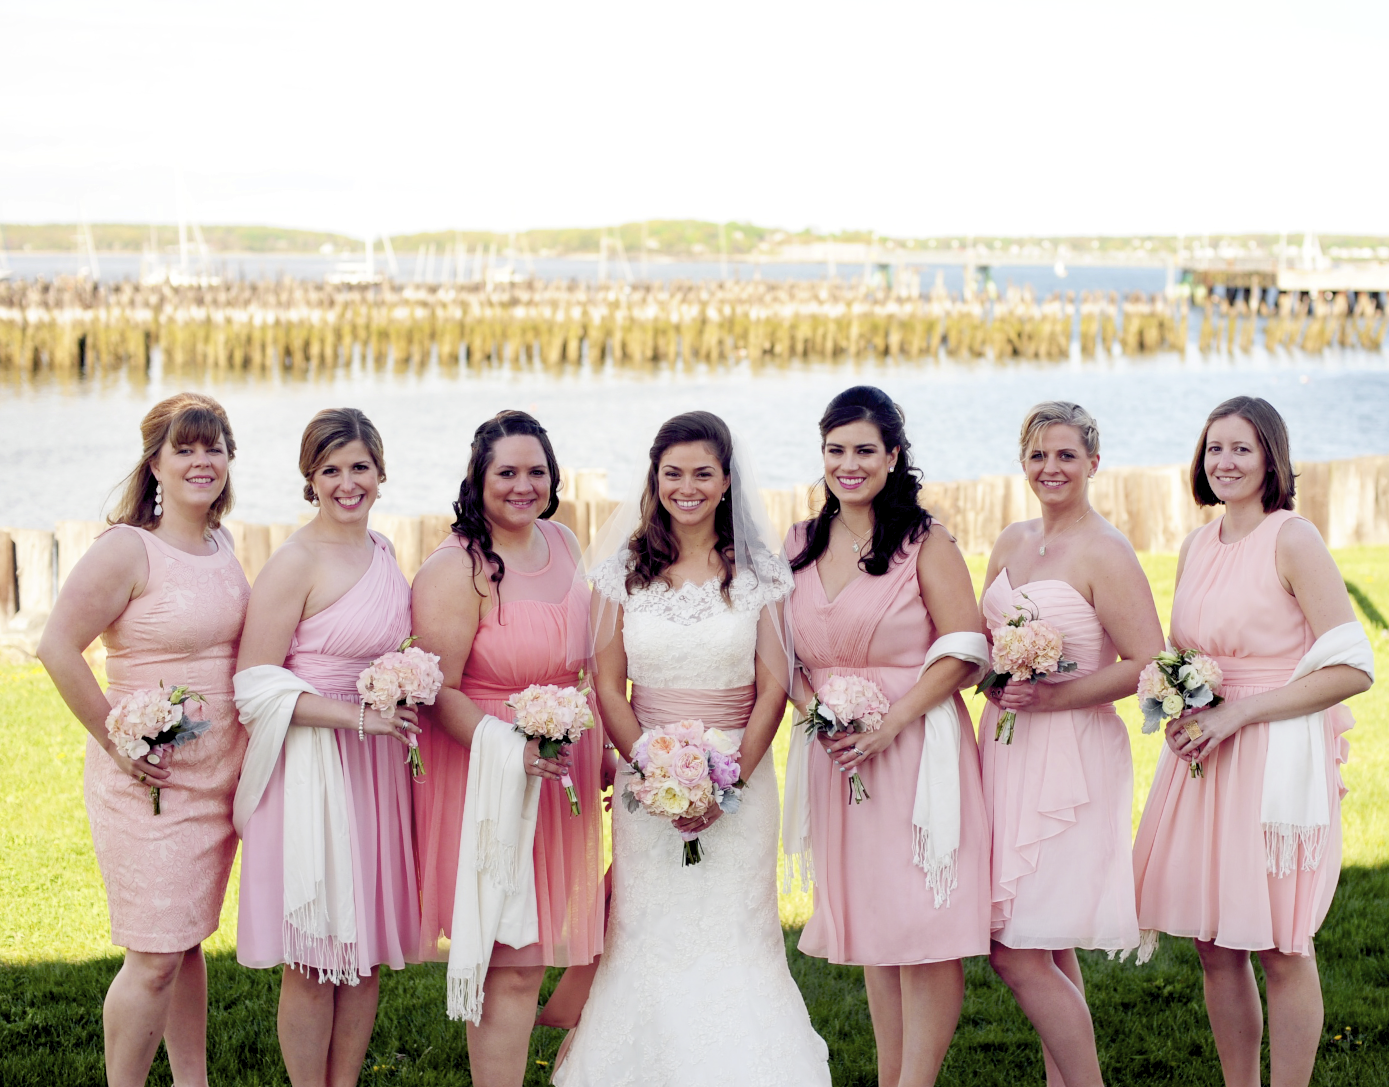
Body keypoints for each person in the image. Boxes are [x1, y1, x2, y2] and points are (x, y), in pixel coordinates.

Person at [553, 411, 831, 1086]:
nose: (686, 486)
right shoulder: (622, 570)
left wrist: (728, 777)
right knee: (647, 928)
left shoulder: (759, 570)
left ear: (725, 479)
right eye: (672, 472)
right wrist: (649, 769)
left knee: (737, 928)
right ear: (655, 478)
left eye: (702, 472)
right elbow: (608, 686)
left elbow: (772, 687)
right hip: (647, 778)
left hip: (743, 773)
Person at [1132, 396, 1374, 1087]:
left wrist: (1238, 715)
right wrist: (1177, 701)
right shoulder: (1195, 544)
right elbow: (1185, 651)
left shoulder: (1291, 538)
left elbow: (1352, 667)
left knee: (1279, 943)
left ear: (1271, 455)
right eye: (1213, 448)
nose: (1224, 461)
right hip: (1204, 757)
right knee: (1213, 943)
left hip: (1270, 757)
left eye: (1240, 447)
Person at [38, 392, 248, 1087]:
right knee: (154, 954)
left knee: (187, 941)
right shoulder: (129, 547)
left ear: (228, 459)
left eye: (212, 446)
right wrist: (117, 740)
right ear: (154, 462)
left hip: (218, 774)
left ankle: (195, 1081)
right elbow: (58, 646)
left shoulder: (223, 543)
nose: (200, 460)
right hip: (148, 779)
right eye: (184, 448)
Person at [782, 385, 990, 1087]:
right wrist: (820, 714)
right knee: (876, 927)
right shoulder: (797, 544)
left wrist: (891, 722)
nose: (848, 463)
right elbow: (782, 657)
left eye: (863, 450)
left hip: (913, 749)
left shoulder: (923, 542)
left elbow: (966, 646)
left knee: (925, 929)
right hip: (839, 756)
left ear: (892, 455)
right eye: (835, 449)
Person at [410, 411, 606, 1087]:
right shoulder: (455, 566)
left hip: (560, 766)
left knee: (531, 952)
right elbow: (439, 688)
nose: (523, 485)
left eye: (536, 471)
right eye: (507, 472)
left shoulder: (565, 543)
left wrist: (600, 751)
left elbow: (586, 667)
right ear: (478, 478)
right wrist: (511, 748)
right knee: (509, 956)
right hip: (489, 771)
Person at [233, 408, 421, 1087]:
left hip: (376, 767)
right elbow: (252, 684)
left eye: (359, 467)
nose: (348, 483)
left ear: (380, 471)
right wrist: (353, 716)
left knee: (364, 949)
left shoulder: (385, 553)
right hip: (312, 764)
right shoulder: (294, 561)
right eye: (331, 470)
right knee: (314, 956)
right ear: (309, 480)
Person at [977, 402, 1163, 1087]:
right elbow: (982, 639)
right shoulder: (1010, 539)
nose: (1048, 468)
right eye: (1036, 455)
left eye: (1063, 455)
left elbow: (1148, 659)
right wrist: (993, 679)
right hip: (1005, 750)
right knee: (1043, 936)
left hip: (1071, 758)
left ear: (1092, 462)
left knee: (1012, 950)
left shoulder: (1104, 550)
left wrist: (1054, 694)